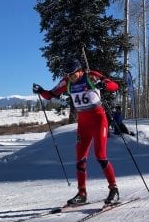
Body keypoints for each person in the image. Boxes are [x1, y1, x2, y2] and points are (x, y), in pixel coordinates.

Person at [33, 58, 120, 205]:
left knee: (100, 155)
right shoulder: (66, 82)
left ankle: (113, 189)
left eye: (73, 73)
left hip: (98, 120)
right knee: (80, 158)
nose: (70, 77)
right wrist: (40, 91)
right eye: (68, 74)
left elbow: (114, 86)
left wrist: (104, 84)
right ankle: (82, 193)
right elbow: (50, 94)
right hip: (83, 123)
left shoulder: (91, 76)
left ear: (80, 70)